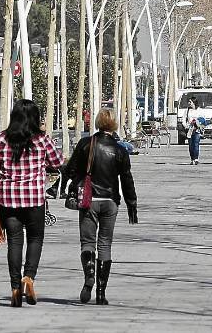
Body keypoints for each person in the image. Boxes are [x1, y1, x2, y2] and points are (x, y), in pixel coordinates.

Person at [0, 99, 64, 307]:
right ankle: (28, 277)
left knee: (14, 241)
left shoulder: (1, 140)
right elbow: (58, 162)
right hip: (34, 198)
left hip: (8, 198)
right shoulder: (42, 140)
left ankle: (14, 287)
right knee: (35, 239)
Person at [64, 108, 138, 305]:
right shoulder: (120, 150)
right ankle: (101, 293)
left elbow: (71, 169)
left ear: (97, 122)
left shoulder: (86, 144)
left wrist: (75, 181)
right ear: (114, 125)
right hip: (110, 201)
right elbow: (127, 178)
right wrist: (132, 203)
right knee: (105, 244)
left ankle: (89, 276)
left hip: (89, 200)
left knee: (87, 242)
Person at [184, 97, 202, 166]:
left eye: (190, 102)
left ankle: (196, 159)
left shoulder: (199, 110)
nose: (189, 103)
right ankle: (192, 159)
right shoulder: (187, 110)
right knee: (191, 145)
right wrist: (186, 125)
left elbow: (202, 118)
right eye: (189, 102)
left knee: (196, 144)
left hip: (197, 129)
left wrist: (198, 123)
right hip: (190, 130)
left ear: (194, 102)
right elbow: (183, 119)